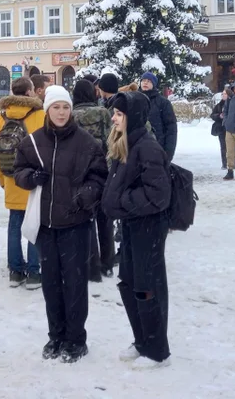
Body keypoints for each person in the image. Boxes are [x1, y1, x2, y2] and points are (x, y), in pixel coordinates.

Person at [14, 86, 108, 363]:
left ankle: (76, 339)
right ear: (47, 109)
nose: (61, 112)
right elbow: (18, 169)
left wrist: (85, 195)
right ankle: (56, 336)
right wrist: (30, 178)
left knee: (75, 284)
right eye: (56, 107)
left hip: (76, 224)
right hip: (46, 226)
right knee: (51, 284)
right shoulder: (33, 142)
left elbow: (99, 177)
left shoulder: (87, 143)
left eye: (65, 107)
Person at [101, 91, 172, 370]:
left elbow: (158, 195)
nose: (114, 118)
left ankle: (157, 350)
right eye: (114, 113)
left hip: (148, 228)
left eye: (119, 114)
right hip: (131, 225)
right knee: (129, 283)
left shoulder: (148, 148)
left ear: (134, 117)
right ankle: (141, 339)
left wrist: (122, 203)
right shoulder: (126, 143)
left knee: (147, 287)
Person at [0, 77, 45, 289]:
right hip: (34, 179)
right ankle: (33, 273)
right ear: (30, 92)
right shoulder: (40, 115)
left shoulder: (1, 116)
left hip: (12, 178)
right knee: (34, 225)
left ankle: (15, 272)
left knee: (14, 226)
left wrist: (3, 178)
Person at [72, 79, 115, 281]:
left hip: (81, 173)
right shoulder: (103, 113)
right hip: (103, 171)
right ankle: (108, 262)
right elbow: (111, 140)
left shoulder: (71, 116)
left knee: (87, 218)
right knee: (105, 218)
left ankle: (93, 265)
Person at [139, 72, 177, 161]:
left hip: (157, 148)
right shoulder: (134, 100)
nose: (145, 83)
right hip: (137, 149)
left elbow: (171, 128)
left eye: (148, 81)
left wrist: (168, 153)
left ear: (154, 84)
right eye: (143, 80)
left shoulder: (163, 103)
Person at [210, 88, 229, 170]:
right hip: (221, 128)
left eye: (225, 94)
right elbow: (212, 115)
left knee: (230, 147)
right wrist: (219, 116)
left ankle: (231, 162)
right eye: (222, 94)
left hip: (230, 128)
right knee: (223, 146)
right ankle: (224, 163)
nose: (223, 95)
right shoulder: (219, 105)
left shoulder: (232, 104)